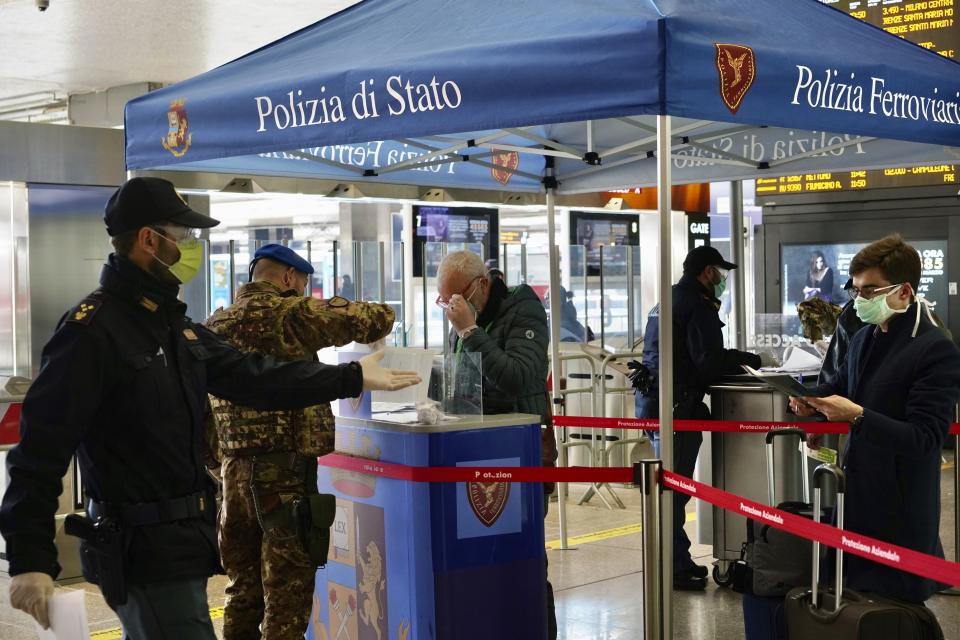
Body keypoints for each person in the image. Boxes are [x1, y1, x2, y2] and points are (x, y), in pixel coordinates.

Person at [0, 178, 419, 638]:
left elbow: (257, 377)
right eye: (182, 237)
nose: (188, 249)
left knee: (232, 599)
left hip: (183, 539)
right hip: (142, 547)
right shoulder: (93, 332)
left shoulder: (177, 329)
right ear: (148, 240)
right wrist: (30, 558)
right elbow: (40, 447)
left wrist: (351, 377)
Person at [206, 244, 396, 640]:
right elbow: (376, 318)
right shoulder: (292, 314)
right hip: (284, 481)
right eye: (304, 283)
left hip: (232, 480)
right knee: (286, 600)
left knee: (242, 591)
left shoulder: (215, 325)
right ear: (289, 278)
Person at [791, 235, 960, 604]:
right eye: (855, 291)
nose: (860, 301)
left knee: (896, 612)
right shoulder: (865, 337)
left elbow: (925, 438)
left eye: (870, 292)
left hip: (901, 509)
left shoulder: (934, 349)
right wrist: (812, 405)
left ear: (904, 292)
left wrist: (858, 416)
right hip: (857, 499)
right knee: (857, 608)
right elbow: (840, 388)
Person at [435, 250, 557, 640]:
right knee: (479, 563)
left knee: (523, 560)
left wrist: (470, 332)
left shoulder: (523, 310)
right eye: (445, 301)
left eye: (457, 298)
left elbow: (519, 378)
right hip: (474, 454)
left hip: (520, 452)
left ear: (483, 285)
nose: (453, 308)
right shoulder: (467, 317)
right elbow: (463, 383)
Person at [633, 245, 761, 590]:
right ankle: (675, 566)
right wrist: (750, 359)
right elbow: (708, 360)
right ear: (707, 272)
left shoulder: (665, 300)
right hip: (677, 408)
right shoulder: (697, 305)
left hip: (652, 404)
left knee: (665, 489)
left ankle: (667, 560)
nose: (721, 280)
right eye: (720, 273)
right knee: (674, 491)